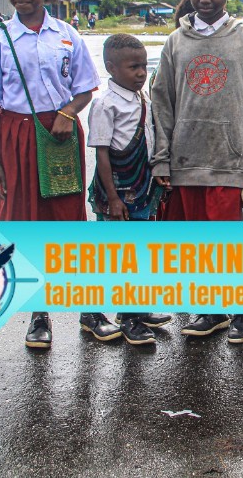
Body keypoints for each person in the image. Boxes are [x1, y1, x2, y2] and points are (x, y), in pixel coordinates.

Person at [0, 0, 120, 348]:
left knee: (69, 224)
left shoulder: (68, 35)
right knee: (24, 224)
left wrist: (68, 113)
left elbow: (85, 87)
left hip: (59, 138)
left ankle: (89, 312)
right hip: (14, 139)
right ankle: (38, 315)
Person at [150, 0, 243, 344]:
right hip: (186, 160)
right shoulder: (176, 41)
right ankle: (213, 309)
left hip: (228, 160)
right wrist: (162, 158)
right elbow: (162, 103)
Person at [86, 33, 173, 345]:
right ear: (111, 68)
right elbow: (102, 153)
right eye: (133, 67)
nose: (140, 73)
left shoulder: (141, 99)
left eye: (143, 66)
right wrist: (112, 197)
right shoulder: (105, 105)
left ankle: (133, 311)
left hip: (142, 187)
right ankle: (130, 318)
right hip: (119, 191)